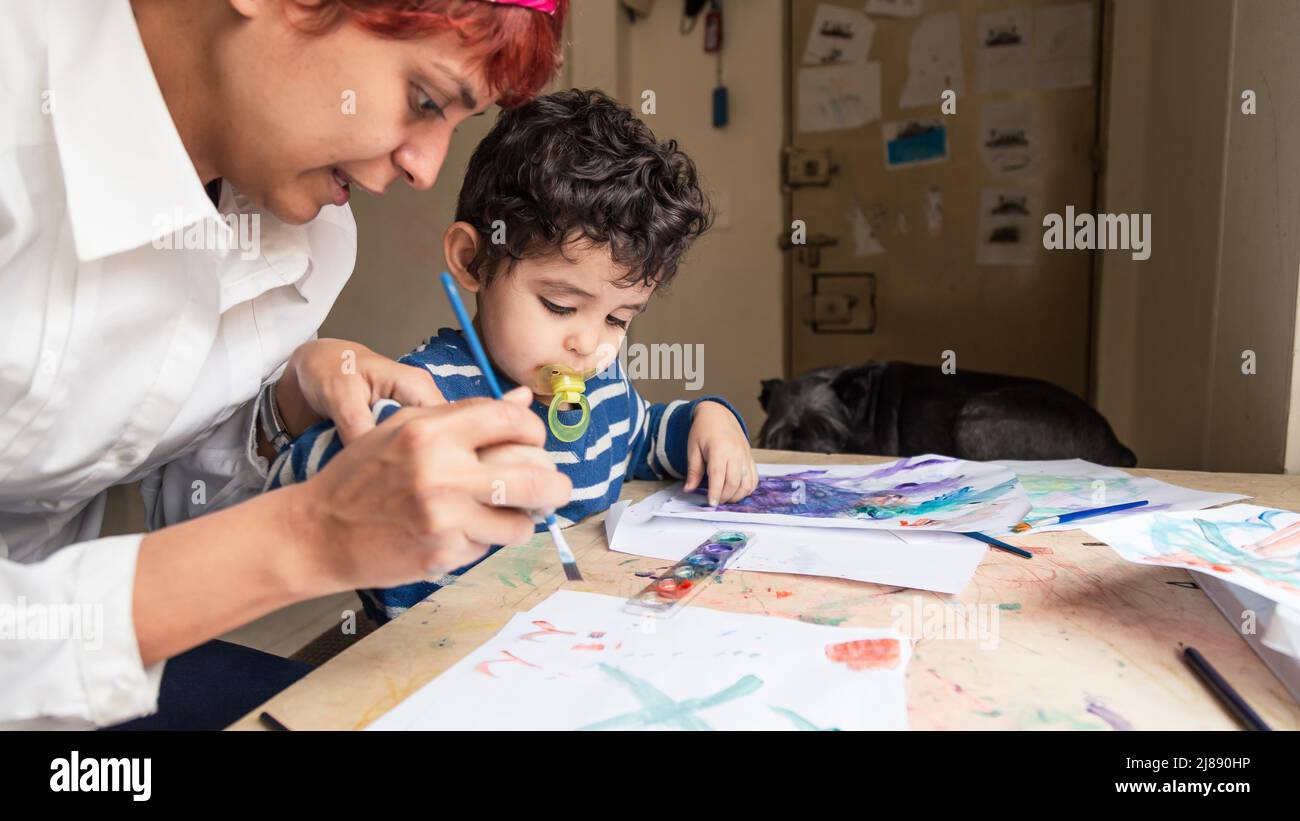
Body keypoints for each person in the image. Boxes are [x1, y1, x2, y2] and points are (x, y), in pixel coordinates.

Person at [0, 0, 571, 730]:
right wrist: (307, 536)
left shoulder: (305, 242)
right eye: (423, 100)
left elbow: (178, 509)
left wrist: (282, 405)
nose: (425, 168)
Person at [268, 89, 759, 621]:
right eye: (559, 305)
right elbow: (296, 491)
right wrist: (358, 464)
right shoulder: (424, 397)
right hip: (438, 659)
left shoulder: (602, 387)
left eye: (618, 319)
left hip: (574, 636)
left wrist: (705, 421)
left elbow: (639, 437)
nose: (588, 344)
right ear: (471, 260)